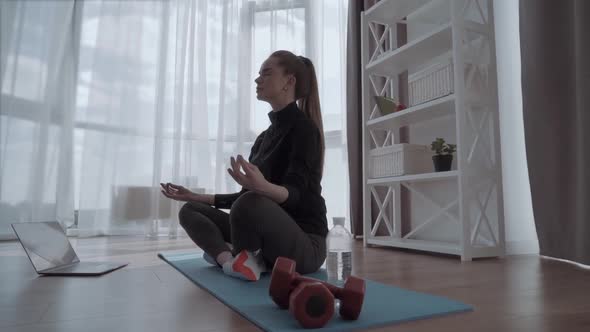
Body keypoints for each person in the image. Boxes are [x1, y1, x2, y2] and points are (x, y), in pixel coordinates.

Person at [160, 50, 327, 281]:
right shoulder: (264, 138)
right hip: (264, 230)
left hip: (305, 245)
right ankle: (231, 261)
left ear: (289, 81)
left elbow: (295, 195)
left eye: (266, 73)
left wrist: (262, 187)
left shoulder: (305, 130)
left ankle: (241, 256)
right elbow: (242, 199)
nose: (258, 79)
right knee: (190, 210)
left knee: (249, 202)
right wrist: (197, 197)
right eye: (258, 74)